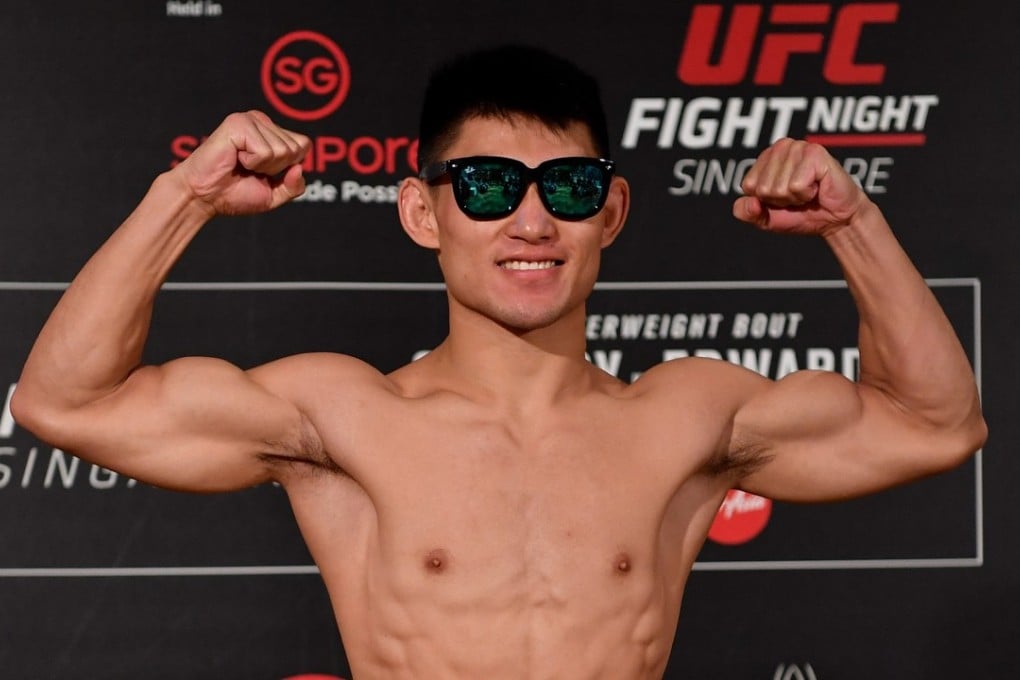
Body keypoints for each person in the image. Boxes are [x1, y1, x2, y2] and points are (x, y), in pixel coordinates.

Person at [11, 45, 985, 678]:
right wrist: (183, 196)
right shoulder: (343, 413)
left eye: (567, 185)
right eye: (484, 184)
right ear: (422, 211)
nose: (531, 219)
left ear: (611, 212)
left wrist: (853, 225)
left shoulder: (688, 413)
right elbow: (64, 399)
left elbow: (938, 422)